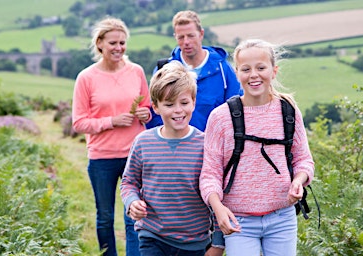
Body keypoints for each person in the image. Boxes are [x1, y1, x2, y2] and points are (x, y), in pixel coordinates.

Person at [199, 39, 315, 256]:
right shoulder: (220, 118)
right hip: (238, 220)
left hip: (282, 217)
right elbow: (210, 174)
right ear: (237, 73)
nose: (254, 75)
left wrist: (298, 181)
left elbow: (304, 160)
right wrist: (218, 209)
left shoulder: (288, 111)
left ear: (274, 71)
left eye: (261, 68)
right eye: (246, 69)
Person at [71, 17, 151, 256]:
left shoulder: (136, 72)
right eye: (113, 42)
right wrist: (111, 122)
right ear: (100, 44)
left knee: (134, 216)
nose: (118, 48)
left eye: (122, 43)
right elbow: (78, 123)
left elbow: (149, 109)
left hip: (134, 155)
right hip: (102, 158)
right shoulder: (86, 78)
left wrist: (145, 113)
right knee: (105, 217)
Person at [120, 61, 215, 256]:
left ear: (194, 102)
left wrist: (219, 242)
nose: (178, 110)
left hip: (194, 241)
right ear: (155, 107)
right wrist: (132, 202)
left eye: (184, 103)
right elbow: (129, 182)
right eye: (169, 105)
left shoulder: (205, 145)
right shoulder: (143, 142)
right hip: (152, 236)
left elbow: (217, 193)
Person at [146, 10, 242, 132]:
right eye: (181, 37)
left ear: (201, 34)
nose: (186, 42)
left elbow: (235, 109)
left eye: (191, 36)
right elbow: (155, 113)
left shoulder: (223, 69)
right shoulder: (164, 70)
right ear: (175, 37)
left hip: (214, 144)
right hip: (174, 144)